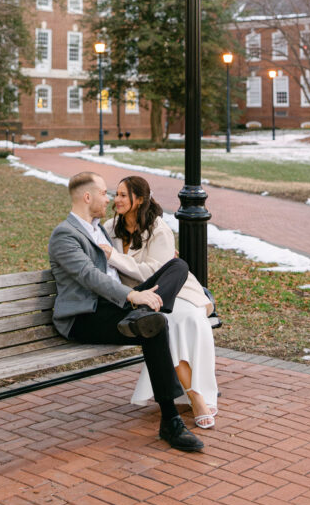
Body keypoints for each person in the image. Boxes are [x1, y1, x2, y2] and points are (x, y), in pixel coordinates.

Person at [48, 171, 204, 452]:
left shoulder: (100, 229)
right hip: (84, 317)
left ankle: (170, 421)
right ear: (87, 197)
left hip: (114, 307)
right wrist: (134, 295)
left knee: (176, 269)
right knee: (154, 325)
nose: (108, 199)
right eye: (104, 193)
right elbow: (89, 277)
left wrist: (135, 297)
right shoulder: (65, 235)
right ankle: (171, 419)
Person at [101, 176, 219, 429]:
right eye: (116, 194)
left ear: (139, 199)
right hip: (140, 297)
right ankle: (195, 397)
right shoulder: (110, 228)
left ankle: (196, 393)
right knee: (166, 322)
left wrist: (115, 257)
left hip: (173, 292)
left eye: (123, 195)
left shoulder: (158, 229)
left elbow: (153, 271)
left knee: (184, 319)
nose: (117, 200)